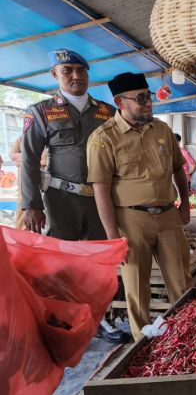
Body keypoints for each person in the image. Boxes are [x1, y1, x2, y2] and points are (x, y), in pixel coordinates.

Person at [21, 48, 127, 344]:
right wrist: (31, 205)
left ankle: (104, 319)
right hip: (59, 201)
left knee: (99, 263)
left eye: (81, 70)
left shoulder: (107, 112)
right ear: (55, 75)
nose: (76, 76)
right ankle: (62, 321)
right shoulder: (41, 112)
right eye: (67, 71)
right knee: (60, 264)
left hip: (99, 200)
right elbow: (29, 159)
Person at [86, 72, 192, 341]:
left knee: (182, 281)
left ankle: (190, 336)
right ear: (121, 101)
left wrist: (185, 205)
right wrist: (112, 236)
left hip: (168, 215)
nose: (148, 103)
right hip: (130, 220)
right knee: (136, 286)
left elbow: (179, 169)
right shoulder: (103, 139)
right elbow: (101, 189)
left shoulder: (161, 130)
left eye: (149, 96)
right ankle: (142, 344)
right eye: (141, 98)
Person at [9, 137, 47, 230]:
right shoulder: (20, 139)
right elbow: (12, 155)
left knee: (44, 211)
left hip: (44, 182)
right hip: (24, 183)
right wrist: (31, 157)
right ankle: (22, 236)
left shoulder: (45, 138)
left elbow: (45, 160)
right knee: (22, 211)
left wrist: (25, 158)